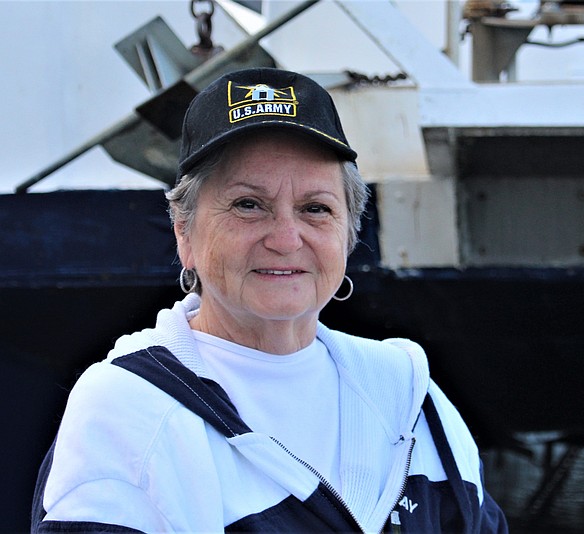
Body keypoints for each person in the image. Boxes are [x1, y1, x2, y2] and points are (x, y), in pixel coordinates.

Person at [32, 67, 508, 533]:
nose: (285, 238)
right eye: (248, 204)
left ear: (347, 235)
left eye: (316, 209)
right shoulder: (129, 415)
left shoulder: (412, 399)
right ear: (185, 234)